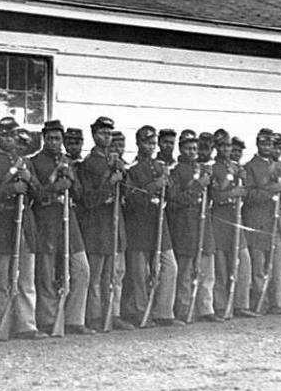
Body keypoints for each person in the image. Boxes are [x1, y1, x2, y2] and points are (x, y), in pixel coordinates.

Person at [0, 117, 47, 340]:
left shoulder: (25, 162)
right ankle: (2, 325)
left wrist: (30, 180)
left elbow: (40, 195)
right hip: (1, 221)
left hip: (24, 220)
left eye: (12, 135)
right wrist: (12, 188)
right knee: (0, 278)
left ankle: (27, 325)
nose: (8, 139)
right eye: (4, 135)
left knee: (25, 277)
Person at [30, 120, 94, 335]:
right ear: (43, 138)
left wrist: (71, 179)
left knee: (81, 268)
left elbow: (80, 194)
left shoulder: (69, 162)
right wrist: (55, 181)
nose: (54, 143)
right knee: (47, 273)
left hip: (69, 220)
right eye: (50, 138)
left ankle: (75, 320)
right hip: (46, 220)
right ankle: (48, 320)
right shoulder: (35, 162)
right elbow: (36, 194)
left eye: (58, 139)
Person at [76, 117, 134, 332]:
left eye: (109, 134)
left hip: (115, 226)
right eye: (102, 133)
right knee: (97, 276)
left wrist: (122, 174)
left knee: (116, 274)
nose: (106, 137)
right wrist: (109, 181)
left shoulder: (116, 161)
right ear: (94, 135)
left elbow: (127, 193)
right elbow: (88, 200)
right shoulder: (88, 165)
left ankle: (114, 313)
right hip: (97, 227)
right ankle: (94, 316)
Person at [121, 125, 179, 327]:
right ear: (138, 143)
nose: (151, 146)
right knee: (139, 271)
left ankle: (163, 311)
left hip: (158, 220)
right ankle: (139, 311)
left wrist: (166, 182)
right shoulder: (133, 168)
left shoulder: (159, 166)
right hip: (139, 223)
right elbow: (131, 198)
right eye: (147, 142)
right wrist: (155, 185)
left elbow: (171, 195)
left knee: (169, 265)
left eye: (153, 143)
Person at [243, 129, 281, 314]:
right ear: (258, 145)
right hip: (257, 219)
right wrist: (270, 189)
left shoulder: (277, 166)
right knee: (259, 263)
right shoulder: (250, 166)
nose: (267, 147)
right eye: (264, 144)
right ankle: (260, 303)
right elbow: (249, 194)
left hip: (276, 217)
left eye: (270, 144)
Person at [168, 129, 220, 323]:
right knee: (186, 271)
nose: (192, 152)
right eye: (188, 148)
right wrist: (198, 185)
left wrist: (209, 183)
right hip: (185, 224)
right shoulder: (176, 171)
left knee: (207, 268)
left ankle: (206, 308)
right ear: (181, 149)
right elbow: (175, 199)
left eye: (194, 148)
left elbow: (213, 195)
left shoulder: (203, 168)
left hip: (203, 223)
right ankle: (184, 309)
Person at [211, 130, 258, 318]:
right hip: (220, 217)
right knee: (222, 265)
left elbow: (247, 189)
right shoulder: (213, 167)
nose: (226, 149)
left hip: (236, 217)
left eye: (228, 146)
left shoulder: (237, 167)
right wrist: (232, 192)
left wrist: (242, 180)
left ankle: (241, 303)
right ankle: (222, 305)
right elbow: (215, 195)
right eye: (222, 146)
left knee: (243, 262)